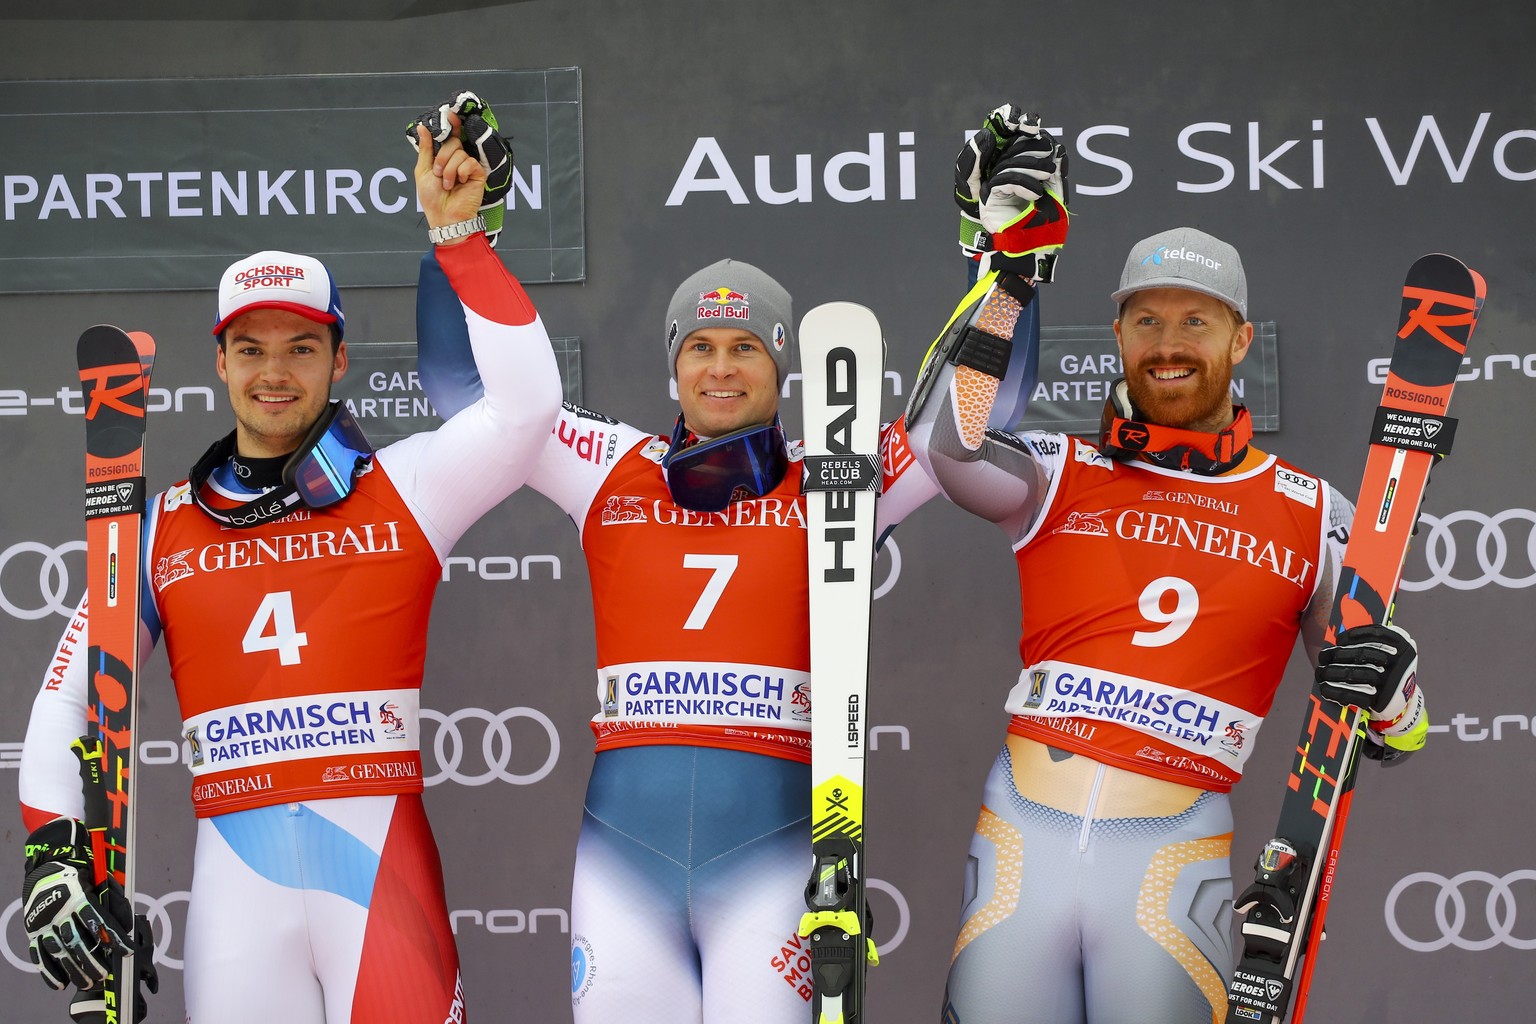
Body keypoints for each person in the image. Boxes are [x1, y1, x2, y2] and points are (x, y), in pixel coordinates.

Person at [18, 99, 563, 1024]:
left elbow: (528, 409)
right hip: (237, 894)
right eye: (252, 350)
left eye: (302, 348)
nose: (276, 372)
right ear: (222, 364)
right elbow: (68, 695)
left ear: (340, 358)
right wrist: (54, 853)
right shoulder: (159, 528)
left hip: (382, 874)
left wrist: (460, 238)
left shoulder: (410, 484)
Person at [410, 95, 939, 1023]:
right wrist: (460, 235)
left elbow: (966, 431)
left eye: (745, 348)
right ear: (673, 366)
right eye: (700, 347)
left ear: (784, 368)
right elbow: (466, 391)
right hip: (624, 864)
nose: (721, 368)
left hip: (775, 861)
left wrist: (1011, 272)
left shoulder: (839, 478)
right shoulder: (608, 466)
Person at [903, 105, 1428, 1024]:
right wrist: (1010, 280)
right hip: (1022, 836)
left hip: (1170, 862)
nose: (1170, 341)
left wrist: (1394, 687)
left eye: (1196, 320)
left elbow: (1391, 733)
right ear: (1117, 339)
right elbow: (949, 443)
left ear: (1240, 342)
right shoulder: (1060, 474)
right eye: (1146, 320)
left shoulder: (1313, 512)